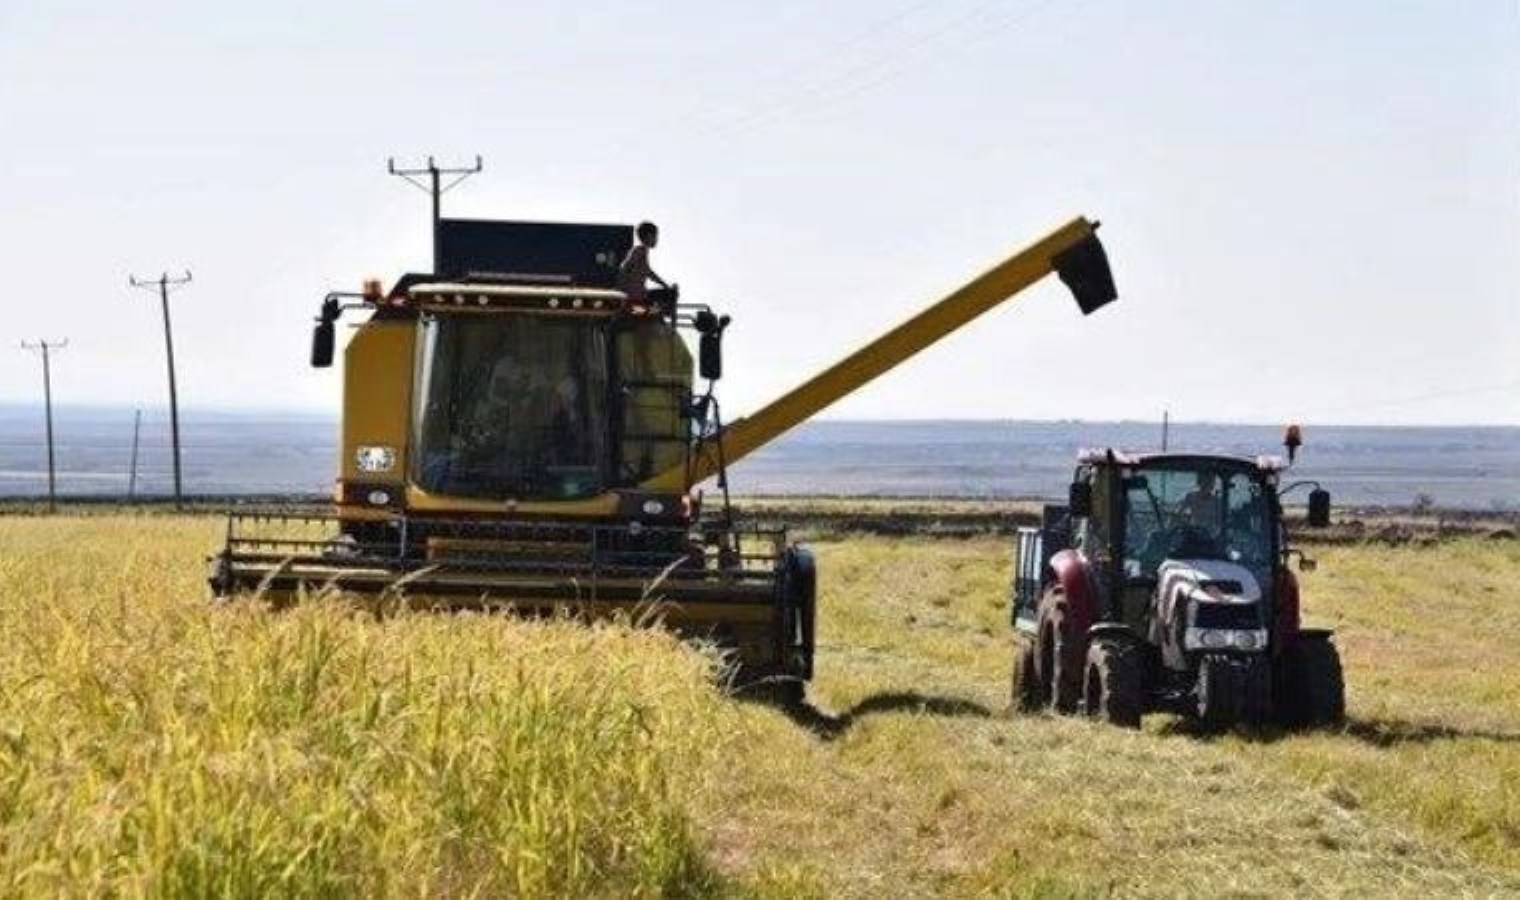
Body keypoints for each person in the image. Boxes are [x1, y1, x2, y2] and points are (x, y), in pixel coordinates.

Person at [617, 221, 677, 313]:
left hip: (639, 296)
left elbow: (650, 274)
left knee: (669, 294)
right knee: (671, 295)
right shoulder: (639, 251)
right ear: (649, 236)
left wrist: (665, 285)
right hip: (635, 298)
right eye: (655, 236)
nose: (656, 239)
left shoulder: (643, 252)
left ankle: (657, 312)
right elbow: (627, 266)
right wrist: (623, 290)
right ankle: (655, 312)